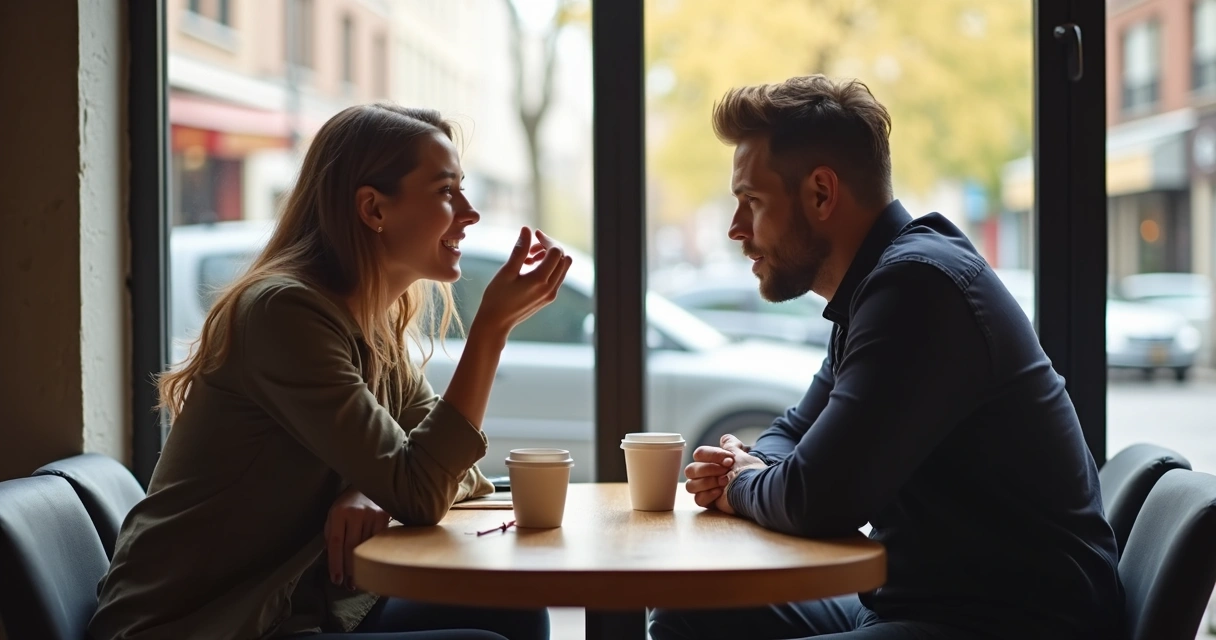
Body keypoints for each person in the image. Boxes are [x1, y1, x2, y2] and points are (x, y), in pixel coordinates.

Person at [649, 76, 1124, 640]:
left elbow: (817, 498)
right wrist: (752, 467)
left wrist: (737, 485)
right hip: (923, 605)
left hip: (1010, 622)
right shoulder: (875, 290)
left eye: (751, 201)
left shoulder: (917, 289)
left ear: (821, 194)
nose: (735, 229)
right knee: (686, 607)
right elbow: (793, 433)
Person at [89, 104, 571, 640]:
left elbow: (451, 474)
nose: (469, 213)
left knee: (517, 609)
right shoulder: (283, 314)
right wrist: (490, 331)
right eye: (445, 191)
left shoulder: (374, 326)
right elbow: (422, 487)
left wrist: (376, 492)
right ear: (372, 208)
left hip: (299, 610)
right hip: (202, 626)